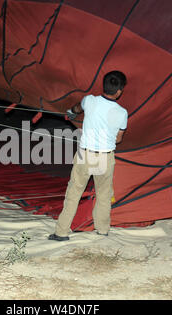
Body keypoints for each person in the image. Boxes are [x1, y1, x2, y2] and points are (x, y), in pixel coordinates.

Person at [49, 71, 128, 241]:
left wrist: (71, 111)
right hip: (105, 157)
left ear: (104, 85)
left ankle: (61, 232)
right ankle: (102, 230)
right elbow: (118, 139)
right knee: (104, 194)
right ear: (120, 91)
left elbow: (78, 108)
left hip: (86, 155)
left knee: (74, 193)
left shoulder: (90, 100)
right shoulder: (122, 113)